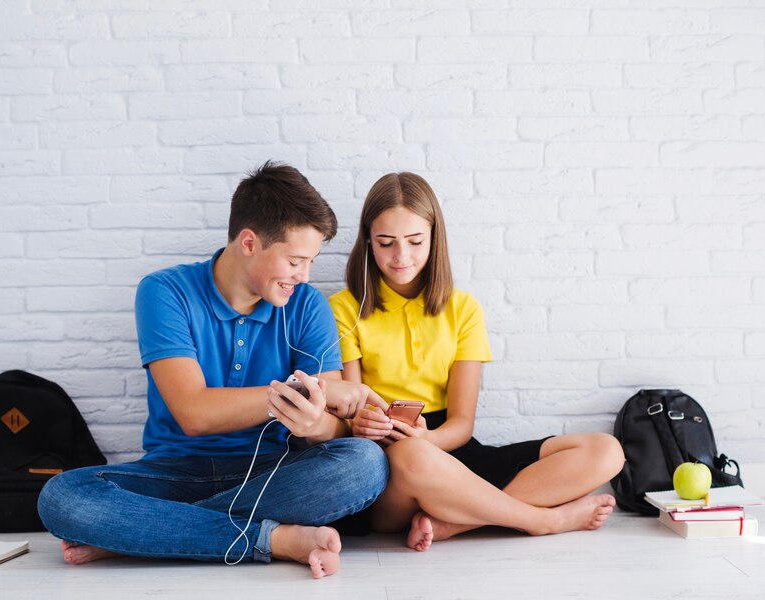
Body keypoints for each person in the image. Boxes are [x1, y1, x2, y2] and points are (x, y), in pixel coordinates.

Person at [38, 161, 390, 579]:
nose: (305, 275)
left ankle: (146, 533)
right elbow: (194, 413)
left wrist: (314, 424)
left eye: (310, 261)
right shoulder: (165, 292)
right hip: (173, 472)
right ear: (248, 243)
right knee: (64, 497)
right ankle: (271, 539)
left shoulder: (307, 305)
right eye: (296, 260)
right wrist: (303, 391)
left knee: (366, 463)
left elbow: (329, 430)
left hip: (272, 474)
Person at [329, 172, 625, 551]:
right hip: (388, 463)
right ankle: (543, 520)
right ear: (368, 241)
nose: (401, 256)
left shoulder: (463, 309)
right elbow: (350, 412)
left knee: (606, 451)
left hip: (446, 443)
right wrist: (364, 425)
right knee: (413, 455)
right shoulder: (342, 309)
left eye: (415, 241)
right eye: (386, 243)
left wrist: (429, 438)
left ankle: (457, 524)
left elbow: (462, 425)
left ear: (435, 239)